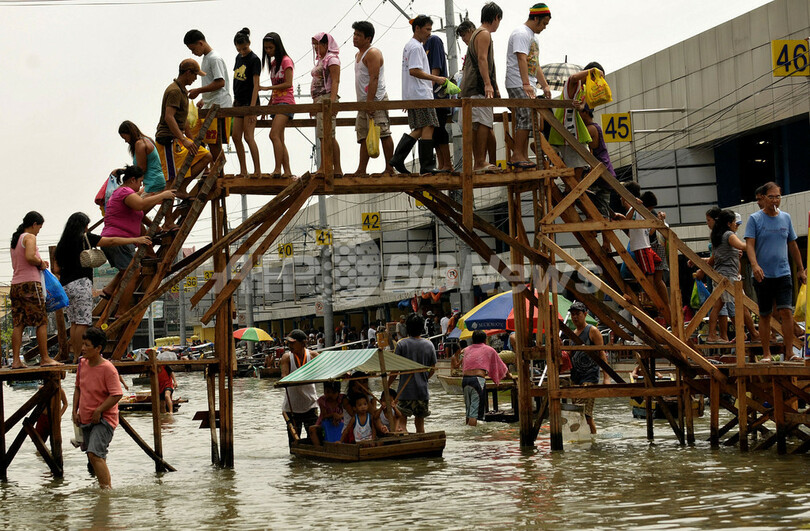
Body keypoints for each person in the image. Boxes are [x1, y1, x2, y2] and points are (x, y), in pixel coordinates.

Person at [53, 212, 150, 361]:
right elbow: (110, 241)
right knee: (83, 322)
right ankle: (79, 356)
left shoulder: (62, 244)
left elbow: (57, 270)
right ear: (83, 226)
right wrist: (136, 239)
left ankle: (75, 356)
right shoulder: (85, 238)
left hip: (66, 286)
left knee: (73, 322)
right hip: (81, 283)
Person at [744, 182, 806, 362]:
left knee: (786, 311)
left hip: (783, 273)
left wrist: (801, 269)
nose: (775, 201)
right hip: (763, 275)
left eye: (778, 197)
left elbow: (792, 244)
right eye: (771, 197)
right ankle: (766, 354)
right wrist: (755, 265)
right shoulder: (755, 219)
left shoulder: (786, 218)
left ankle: (790, 353)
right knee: (765, 314)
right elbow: (749, 244)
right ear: (763, 198)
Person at [389, 15, 447, 175]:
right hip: (421, 94)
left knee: (421, 127)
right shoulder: (415, 47)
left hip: (414, 93)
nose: (429, 33)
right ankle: (427, 166)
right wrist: (436, 78)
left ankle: (398, 158)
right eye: (427, 29)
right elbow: (414, 71)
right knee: (429, 125)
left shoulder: (410, 46)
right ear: (417, 28)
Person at [8, 212, 61, 369]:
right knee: (41, 321)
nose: (39, 231)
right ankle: (45, 358)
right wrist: (41, 263)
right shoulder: (29, 237)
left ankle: (16, 360)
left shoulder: (15, 240)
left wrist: (38, 261)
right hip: (30, 284)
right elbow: (30, 257)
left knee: (19, 323)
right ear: (34, 224)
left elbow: (23, 260)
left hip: (16, 284)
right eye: (39, 227)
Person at [613, 182, 670, 325]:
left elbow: (650, 232)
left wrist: (657, 222)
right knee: (649, 273)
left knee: (654, 268)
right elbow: (627, 221)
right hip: (642, 247)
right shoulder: (636, 211)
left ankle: (651, 295)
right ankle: (649, 295)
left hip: (647, 247)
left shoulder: (642, 213)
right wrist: (634, 207)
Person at [72, 327, 123, 489]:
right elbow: (78, 388)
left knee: (94, 454)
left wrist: (99, 410)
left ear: (98, 348)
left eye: (87, 345)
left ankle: (107, 492)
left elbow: (116, 394)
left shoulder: (108, 369)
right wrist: (74, 410)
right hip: (86, 418)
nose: (83, 348)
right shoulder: (82, 364)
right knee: (96, 456)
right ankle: (103, 492)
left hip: (104, 420)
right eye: (83, 344)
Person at [100, 165, 174, 271]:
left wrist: (154, 226)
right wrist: (162, 196)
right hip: (118, 241)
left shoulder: (119, 191)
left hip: (116, 241)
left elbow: (139, 213)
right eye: (140, 182)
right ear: (133, 180)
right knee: (132, 274)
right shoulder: (125, 192)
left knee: (125, 274)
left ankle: (109, 289)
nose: (140, 186)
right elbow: (141, 205)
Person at [505, 3, 552, 168]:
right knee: (525, 116)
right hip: (517, 81)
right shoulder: (521, 33)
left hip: (526, 82)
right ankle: (517, 154)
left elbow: (535, 63)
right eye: (544, 23)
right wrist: (526, 83)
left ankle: (522, 155)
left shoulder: (533, 36)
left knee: (526, 118)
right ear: (536, 18)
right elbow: (521, 58)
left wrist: (544, 85)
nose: (544, 27)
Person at [459, 3, 503, 173]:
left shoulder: (477, 33)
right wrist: (487, 84)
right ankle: (479, 161)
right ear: (496, 18)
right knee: (484, 122)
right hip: (477, 86)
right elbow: (483, 59)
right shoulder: (484, 34)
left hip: (470, 86)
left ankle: (479, 162)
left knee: (478, 124)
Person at [155, 58, 213, 185]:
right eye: (195, 75)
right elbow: (169, 117)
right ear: (188, 72)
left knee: (206, 156)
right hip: (167, 140)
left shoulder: (182, 92)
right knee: (170, 181)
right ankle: (177, 190)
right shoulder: (174, 91)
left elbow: (183, 120)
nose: (195, 79)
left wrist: (191, 140)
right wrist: (184, 139)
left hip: (177, 140)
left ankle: (182, 187)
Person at [351, 20, 395, 176]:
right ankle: (361, 170)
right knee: (363, 134)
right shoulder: (358, 54)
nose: (355, 37)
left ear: (368, 38)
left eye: (359, 35)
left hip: (376, 99)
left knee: (383, 132)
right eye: (355, 34)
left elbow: (374, 78)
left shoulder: (373, 53)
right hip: (363, 101)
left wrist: (370, 103)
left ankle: (390, 168)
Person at [184, 29, 233, 168]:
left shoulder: (214, 58)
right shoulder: (206, 58)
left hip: (220, 104)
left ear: (200, 43)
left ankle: (219, 172)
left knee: (215, 142)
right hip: (210, 103)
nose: (193, 53)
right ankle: (215, 170)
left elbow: (220, 82)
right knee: (210, 141)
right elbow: (211, 82)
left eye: (193, 49)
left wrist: (199, 91)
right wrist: (204, 98)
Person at [549, 63, 606, 177]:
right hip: (565, 126)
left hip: (574, 128)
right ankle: (573, 187)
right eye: (598, 78)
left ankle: (573, 186)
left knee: (579, 162)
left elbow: (582, 106)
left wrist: (579, 106)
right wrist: (592, 71)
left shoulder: (584, 89)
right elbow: (573, 77)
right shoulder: (575, 83)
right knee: (576, 161)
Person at [704, 209, 749, 343]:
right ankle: (750, 333)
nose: (736, 225)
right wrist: (755, 241)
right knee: (742, 305)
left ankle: (712, 334)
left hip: (720, 275)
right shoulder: (729, 234)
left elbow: (716, 257)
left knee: (717, 306)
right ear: (729, 223)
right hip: (728, 276)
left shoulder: (717, 235)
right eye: (735, 222)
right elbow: (742, 245)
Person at [565, 301, 609, 434]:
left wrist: (606, 377)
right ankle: (585, 438)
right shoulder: (573, 333)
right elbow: (569, 356)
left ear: (585, 314)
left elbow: (602, 353)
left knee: (583, 413)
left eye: (577, 314)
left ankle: (589, 439)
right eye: (572, 314)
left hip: (589, 377)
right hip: (576, 377)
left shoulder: (592, 331)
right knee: (580, 413)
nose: (575, 317)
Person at [389, 313, 437, 433]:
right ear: (422, 328)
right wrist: (424, 378)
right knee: (420, 425)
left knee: (401, 422)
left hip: (405, 391)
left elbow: (395, 370)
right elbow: (432, 368)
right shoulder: (429, 344)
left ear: (407, 328)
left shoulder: (401, 344)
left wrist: (387, 385)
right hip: (422, 390)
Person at [259, 32, 295, 178]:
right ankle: (287, 171)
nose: (268, 51)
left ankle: (277, 168)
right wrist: (268, 107)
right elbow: (276, 87)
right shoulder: (273, 64)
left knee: (273, 135)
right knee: (279, 138)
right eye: (266, 48)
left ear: (277, 46)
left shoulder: (286, 61)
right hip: (276, 103)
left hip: (286, 102)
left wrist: (268, 88)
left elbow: (288, 83)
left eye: (270, 48)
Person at [231, 28, 262, 178]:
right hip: (238, 102)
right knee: (236, 136)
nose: (242, 51)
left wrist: (252, 107)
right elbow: (236, 80)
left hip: (250, 103)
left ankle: (257, 170)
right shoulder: (238, 58)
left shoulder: (254, 59)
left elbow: (256, 85)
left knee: (248, 137)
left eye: (244, 48)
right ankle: (243, 170)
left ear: (249, 43)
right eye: (239, 49)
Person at [461, 330, 510, 426]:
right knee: (474, 413)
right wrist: (509, 376)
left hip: (465, 380)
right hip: (477, 381)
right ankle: (472, 437)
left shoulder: (466, 350)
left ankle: (466, 436)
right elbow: (501, 366)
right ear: (485, 340)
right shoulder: (489, 349)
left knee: (468, 410)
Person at [311, 32, 343, 176]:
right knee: (325, 135)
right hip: (319, 100)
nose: (316, 47)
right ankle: (331, 168)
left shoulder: (332, 60)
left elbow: (335, 81)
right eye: (314, 44)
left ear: (325, 44)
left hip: (326, 99)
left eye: (318, 44)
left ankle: (327, 167)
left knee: (327, 135)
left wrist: (331, 101)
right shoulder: (321, 60)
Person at [280, 329, 319, 441]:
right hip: (292, 408)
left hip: (310, 405)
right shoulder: (286, 357)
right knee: (294, 445)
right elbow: (284, 377)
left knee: (315, 441)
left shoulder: (313, 356)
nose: (290, 346)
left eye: (293, 343)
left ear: (303, 343)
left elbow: (326, 369)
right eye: (289, 343)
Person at [423, 34, 452, 172]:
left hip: (437, 92)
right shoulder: (421, 46)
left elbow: (436, 68)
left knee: (440, 128)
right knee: (433, 131)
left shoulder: (433, 41)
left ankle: (447, 164)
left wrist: (429, 89)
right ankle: (441, 164)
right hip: (429, 94)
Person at [118, 121, 166, 197]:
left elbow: (141, 169)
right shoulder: (147, 139)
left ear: (130, 133)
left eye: (125, 137)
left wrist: (123, 172)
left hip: (153, 183)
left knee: (136, 207)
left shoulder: (140, 144)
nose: (125, 141)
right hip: (155, 180)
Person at [308, 381, 344, 446]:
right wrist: (333, 415)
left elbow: (347, 413)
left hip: (341, 422)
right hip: (324, 422)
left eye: (333, 393)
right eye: (327, 392)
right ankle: (318, 449)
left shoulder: (342, 398)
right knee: (312, 429)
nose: (330, 395)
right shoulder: (322, 400)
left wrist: (339, 416)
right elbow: (324, 415)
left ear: (338, 392)